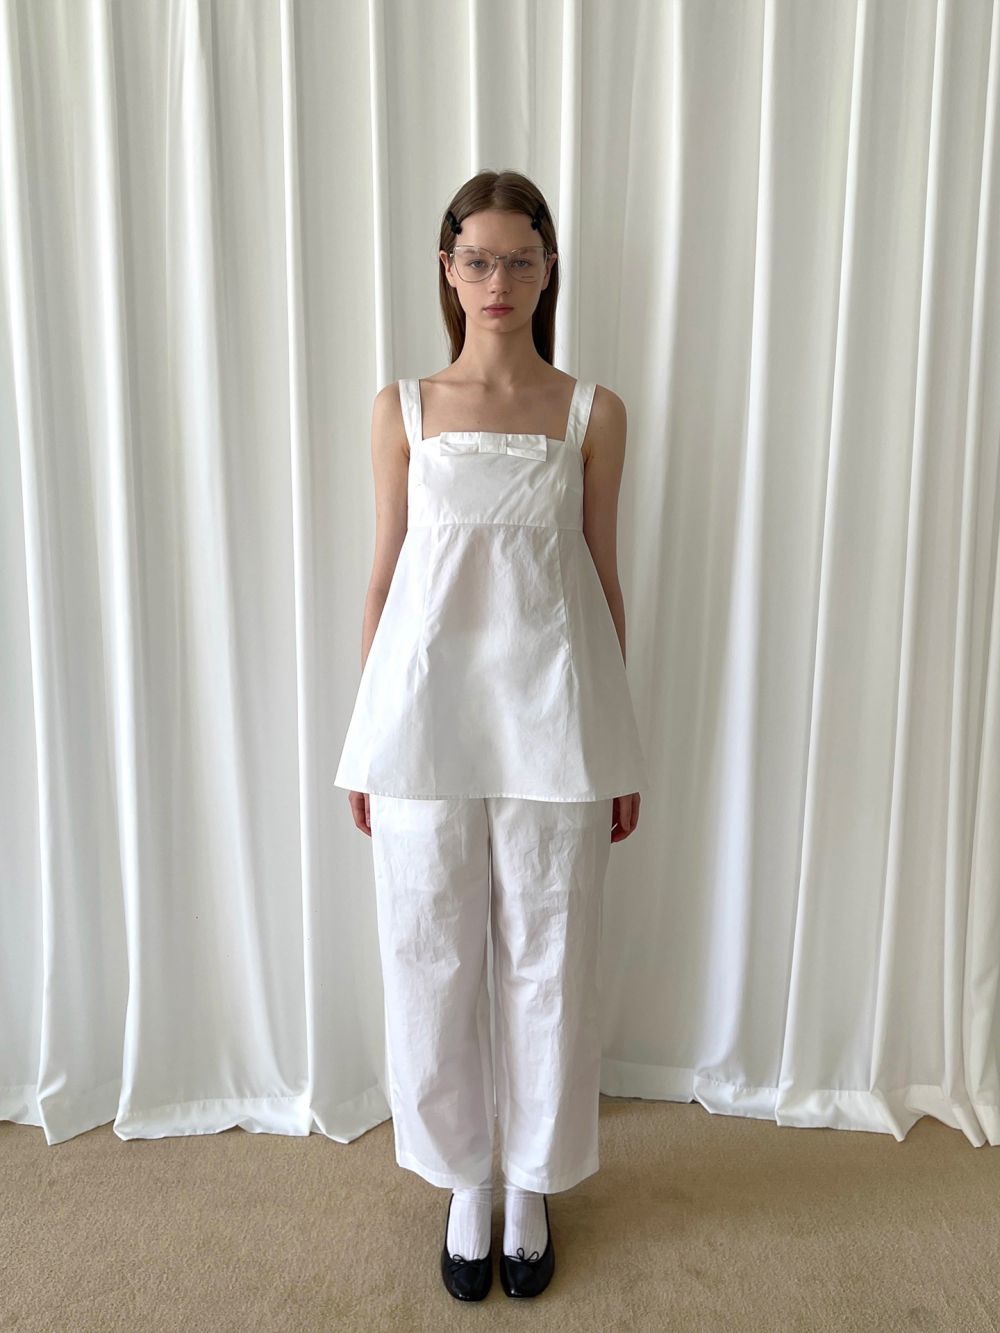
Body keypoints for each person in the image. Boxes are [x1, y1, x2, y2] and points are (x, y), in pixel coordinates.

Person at [333, 169, 647, 1301]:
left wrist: (617, 744)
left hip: (554, 724)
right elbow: (385, 580)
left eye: (519, 259)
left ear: (548, 267)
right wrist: (367, 739)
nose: (498, 280)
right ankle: (465, 1176)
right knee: (427, 953)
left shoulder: (592, 411)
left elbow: (601, 580)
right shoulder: (403, 409)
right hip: (422, 725)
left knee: (551, 961)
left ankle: (532, 1181)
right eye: (477, 260)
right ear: (447, 269)